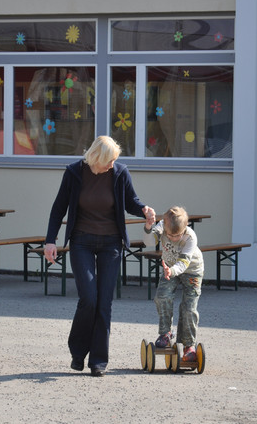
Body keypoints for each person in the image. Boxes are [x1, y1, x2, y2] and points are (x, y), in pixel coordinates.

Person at [44, 136, 155, 377]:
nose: (113, 164)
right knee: (89, 299)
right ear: (97, 158)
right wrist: (50, 241)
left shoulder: (120, 173)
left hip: (111, 244)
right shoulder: (74, 173)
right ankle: (77, 352)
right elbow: (58, 208)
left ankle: (98, 360)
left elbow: (131, 202)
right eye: (109, 160)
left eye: (115, 160)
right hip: (81, 241)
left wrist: (144, 210)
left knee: (104, 302)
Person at [143, 205, 204, 362]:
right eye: (169, 235)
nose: (172, 239)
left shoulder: (190, 237)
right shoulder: (162, 226)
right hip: (169, 268)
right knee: (162, 297)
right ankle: (166, 333)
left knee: (189, 308)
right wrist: (148, 227)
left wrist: (172, 271)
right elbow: (149, 242)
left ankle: (189, 345)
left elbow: (184, 263)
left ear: (185, 228)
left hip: (191, 271)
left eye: (177, 236)